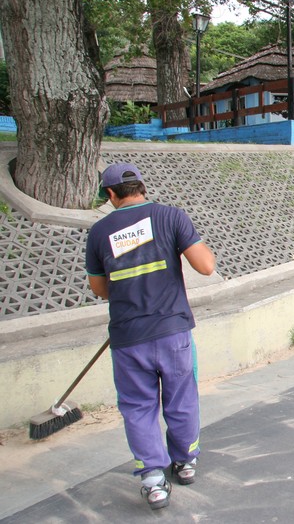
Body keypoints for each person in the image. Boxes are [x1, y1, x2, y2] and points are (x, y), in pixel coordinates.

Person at [85, 162, 216, 510]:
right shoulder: (171, 217)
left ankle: (153, 480)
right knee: (181, 397)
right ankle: (185, 462)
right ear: (141, 187)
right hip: (173, 332)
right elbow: (206, 266)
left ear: (111, 194)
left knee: (138, 407)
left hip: (129, 337)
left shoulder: (100, 232)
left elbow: (100, 289)